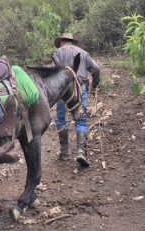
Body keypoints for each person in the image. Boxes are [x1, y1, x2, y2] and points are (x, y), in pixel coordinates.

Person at [51, 33, 101, 167]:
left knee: (61, 118)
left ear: (62, 42)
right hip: (80, 87)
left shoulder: (57, 52)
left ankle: (64, 152)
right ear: (72, 42)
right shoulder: (83, 53)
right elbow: (96, 69)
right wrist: (94, 86)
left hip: (62, 89)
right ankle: (81, 152)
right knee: (81, 118)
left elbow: (52, 74)